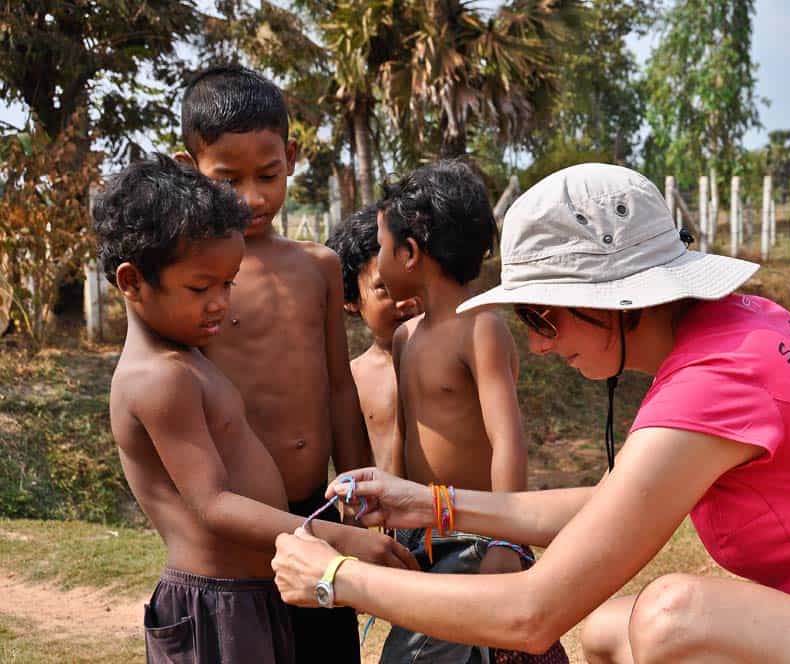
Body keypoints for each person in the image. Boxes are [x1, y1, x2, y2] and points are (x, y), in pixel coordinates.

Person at [273, 163, 790, 664]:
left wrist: (337, 576)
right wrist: (430, 504)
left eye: (543, 315)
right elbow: (620, 503)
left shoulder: (713, 379)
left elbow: (531, 616)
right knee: (613, 630)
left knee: (671, 617)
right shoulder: (735, 327)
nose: (536, 343)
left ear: (613, 303)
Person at [93, 156, 411, 664]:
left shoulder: (188, 359)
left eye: (228, 283)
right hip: (215, 606)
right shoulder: (159, 378)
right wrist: (342, 538)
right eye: (202, 288)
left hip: (248, 595)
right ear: (131, 282)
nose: (220, 302)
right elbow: (215, 505)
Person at [177, 65, 415, 663]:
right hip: (238, 519)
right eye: (227, 180)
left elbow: (338, 387)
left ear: (292, 156)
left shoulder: (318, 267)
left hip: (319, 505)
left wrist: (364, 494)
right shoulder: (195, 282)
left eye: (269, 174)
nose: (253, 198)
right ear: (190, 168)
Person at [374, 161, 539, 663]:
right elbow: (405, 436)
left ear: (409, 253)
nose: (377, 260)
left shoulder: (480, 329)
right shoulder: (405, 337)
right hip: (418, 535)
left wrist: (507, 541)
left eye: (382, 245)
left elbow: (507, 438)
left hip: (472, 539)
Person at [327, 205, 421, 473]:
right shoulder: (351, 381)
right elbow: (353, 472)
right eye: (385, 288)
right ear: (351, 299)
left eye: (411, 280)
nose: (404, 300)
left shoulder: (454, 357)